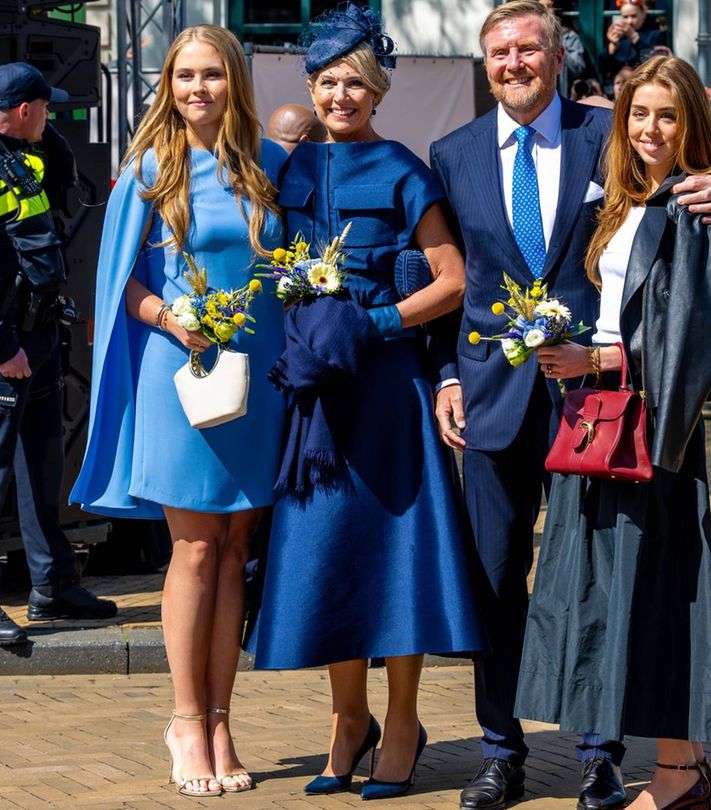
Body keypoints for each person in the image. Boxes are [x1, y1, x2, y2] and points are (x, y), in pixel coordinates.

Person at [428, 6, 711, 807]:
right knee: (496, 578)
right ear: (484, 61)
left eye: (529, 48)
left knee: (596, 580)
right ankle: (501, 749)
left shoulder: (604, 132)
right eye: (500, 52)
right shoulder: (452, 155)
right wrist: (447, 378)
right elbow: (437, 275)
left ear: (559, 55)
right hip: (492, 398)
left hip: (598, 403)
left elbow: (674, 183)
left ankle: (599, 752)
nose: (514, 63)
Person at [242, 5, 487, 802]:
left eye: (355, 83)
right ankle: (349, 721)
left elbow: (452, 281)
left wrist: (374, 321)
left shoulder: (405, 169)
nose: (341, 96)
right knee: (330, 557)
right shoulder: (289, 170)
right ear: (310, 88)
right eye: (328, 83)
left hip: (389, 394)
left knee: (394, 559)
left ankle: (405, 721)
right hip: (318, 397)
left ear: (376, 90)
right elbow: (263, 262)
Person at [68, 26, 286, 798]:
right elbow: (118, 284)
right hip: (181, 372)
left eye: (212, 76)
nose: (198, 89)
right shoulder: (149, 172)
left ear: (234, 83)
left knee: (235, 552)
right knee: (194, 550)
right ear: (169, 84)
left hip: (257, 379)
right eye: (185, 76)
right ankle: (186, 720)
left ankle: (224, 716)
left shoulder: (270, 167)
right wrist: (168, 315)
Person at [517, 53, 711, 810]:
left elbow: (689, 340)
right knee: (619, 595)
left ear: (691, 126)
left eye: (667, 116)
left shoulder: (693, 207)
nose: (650, 128)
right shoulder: (629, 200)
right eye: (639, 114)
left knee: (667, 589)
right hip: (601, 421)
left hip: (651, 432)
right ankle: (679, 771)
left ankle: (680, 774)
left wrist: (595, 356)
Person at [0, 62, 116, 647]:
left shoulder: (24, 157)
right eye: (46, 107)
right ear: (23, 110)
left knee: (41, 465)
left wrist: (38, 127)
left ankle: (52, 588)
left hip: (38, 339)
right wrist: (2, 344)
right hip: (1, 347)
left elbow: (65, 177)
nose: (52, 116)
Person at [537, 0, 596, 100]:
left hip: (564, 96)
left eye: (549, 6)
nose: (545, 10)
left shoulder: (569, 36)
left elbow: (578, 68)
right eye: (541, 7)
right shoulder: (529, 38)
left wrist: (557, 44)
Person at [603, 2, 665, 74]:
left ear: (643, 14)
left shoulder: (654, 35)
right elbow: (602, 68)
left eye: (634, 16)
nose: (629, 21)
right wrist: (612, 46)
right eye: (625, 17)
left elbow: (655, 62)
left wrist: (634, 37)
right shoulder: (619, 36)